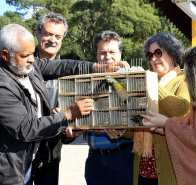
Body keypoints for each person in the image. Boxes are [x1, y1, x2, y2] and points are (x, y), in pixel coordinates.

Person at [0, 24, 129, 185]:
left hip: (119, 160)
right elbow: (26, 128)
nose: (32, 59)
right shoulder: (3, 85)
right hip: (12, 169)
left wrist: (96, 67)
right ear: (5, 55)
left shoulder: (29, 66)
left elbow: (63, 66)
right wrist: (68, 115)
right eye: (26, 55)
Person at [141, 43, 196, 185]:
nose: (186, 79)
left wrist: (167, 124)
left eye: (189, 75)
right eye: (150, 55)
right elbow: (189, 122)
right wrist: (166, 127)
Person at [133, 32, 190, 185]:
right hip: (142, 170)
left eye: (158, 53)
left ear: (172, 53)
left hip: (168, 171)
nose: (153, 59)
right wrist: (121, 130)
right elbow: (136, 126)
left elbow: (181, 109)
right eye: (149, 55)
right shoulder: (145, 83)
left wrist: (150, 83)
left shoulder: (184, 80)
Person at [32, 12, 82, 185]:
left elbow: (70, 120)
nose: (52, 40)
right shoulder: (20, 64)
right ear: (37, 32)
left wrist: (71, 134)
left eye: (57, 36)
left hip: (50, 154)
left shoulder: (69, 74)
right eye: (48, 34)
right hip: (18, 152)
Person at [83, 30, 134, 185]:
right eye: (102, 52)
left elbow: (130, 103)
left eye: (112, 52)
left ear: (120, 53)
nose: (108, 57)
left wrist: (114, 76)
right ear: (97, 55)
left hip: (122, 158)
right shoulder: (86, 79)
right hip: (94, 159)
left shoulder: (131, 76)